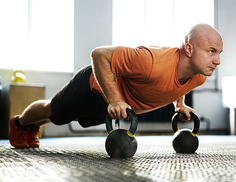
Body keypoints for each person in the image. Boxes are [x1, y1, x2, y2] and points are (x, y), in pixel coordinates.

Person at [9, 23, 223, 148]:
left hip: (111, 106)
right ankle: (20, 123)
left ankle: (33, 126)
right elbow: (99, 55)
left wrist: (180, 105)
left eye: (219, 53)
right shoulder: (151, 62)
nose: (217, 61)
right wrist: (116, 99)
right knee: (53, 109)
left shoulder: (200, 75)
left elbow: (180, 84)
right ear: (188, 49)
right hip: (93, 85)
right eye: (211, 51)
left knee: (65, 117)